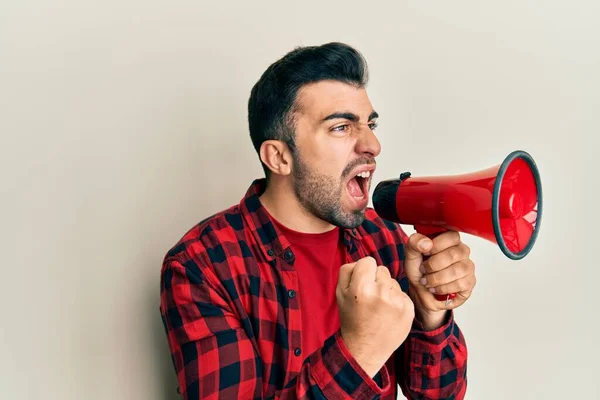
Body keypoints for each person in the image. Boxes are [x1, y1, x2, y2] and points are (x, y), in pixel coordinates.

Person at [159, 42, 476, 399]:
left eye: (369, 124)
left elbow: (439, 396)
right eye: (341, 127)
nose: (372, 144)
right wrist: (360, 351)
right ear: (279, 157)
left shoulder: (383, 237)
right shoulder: (202, 266)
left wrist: (430, 312)